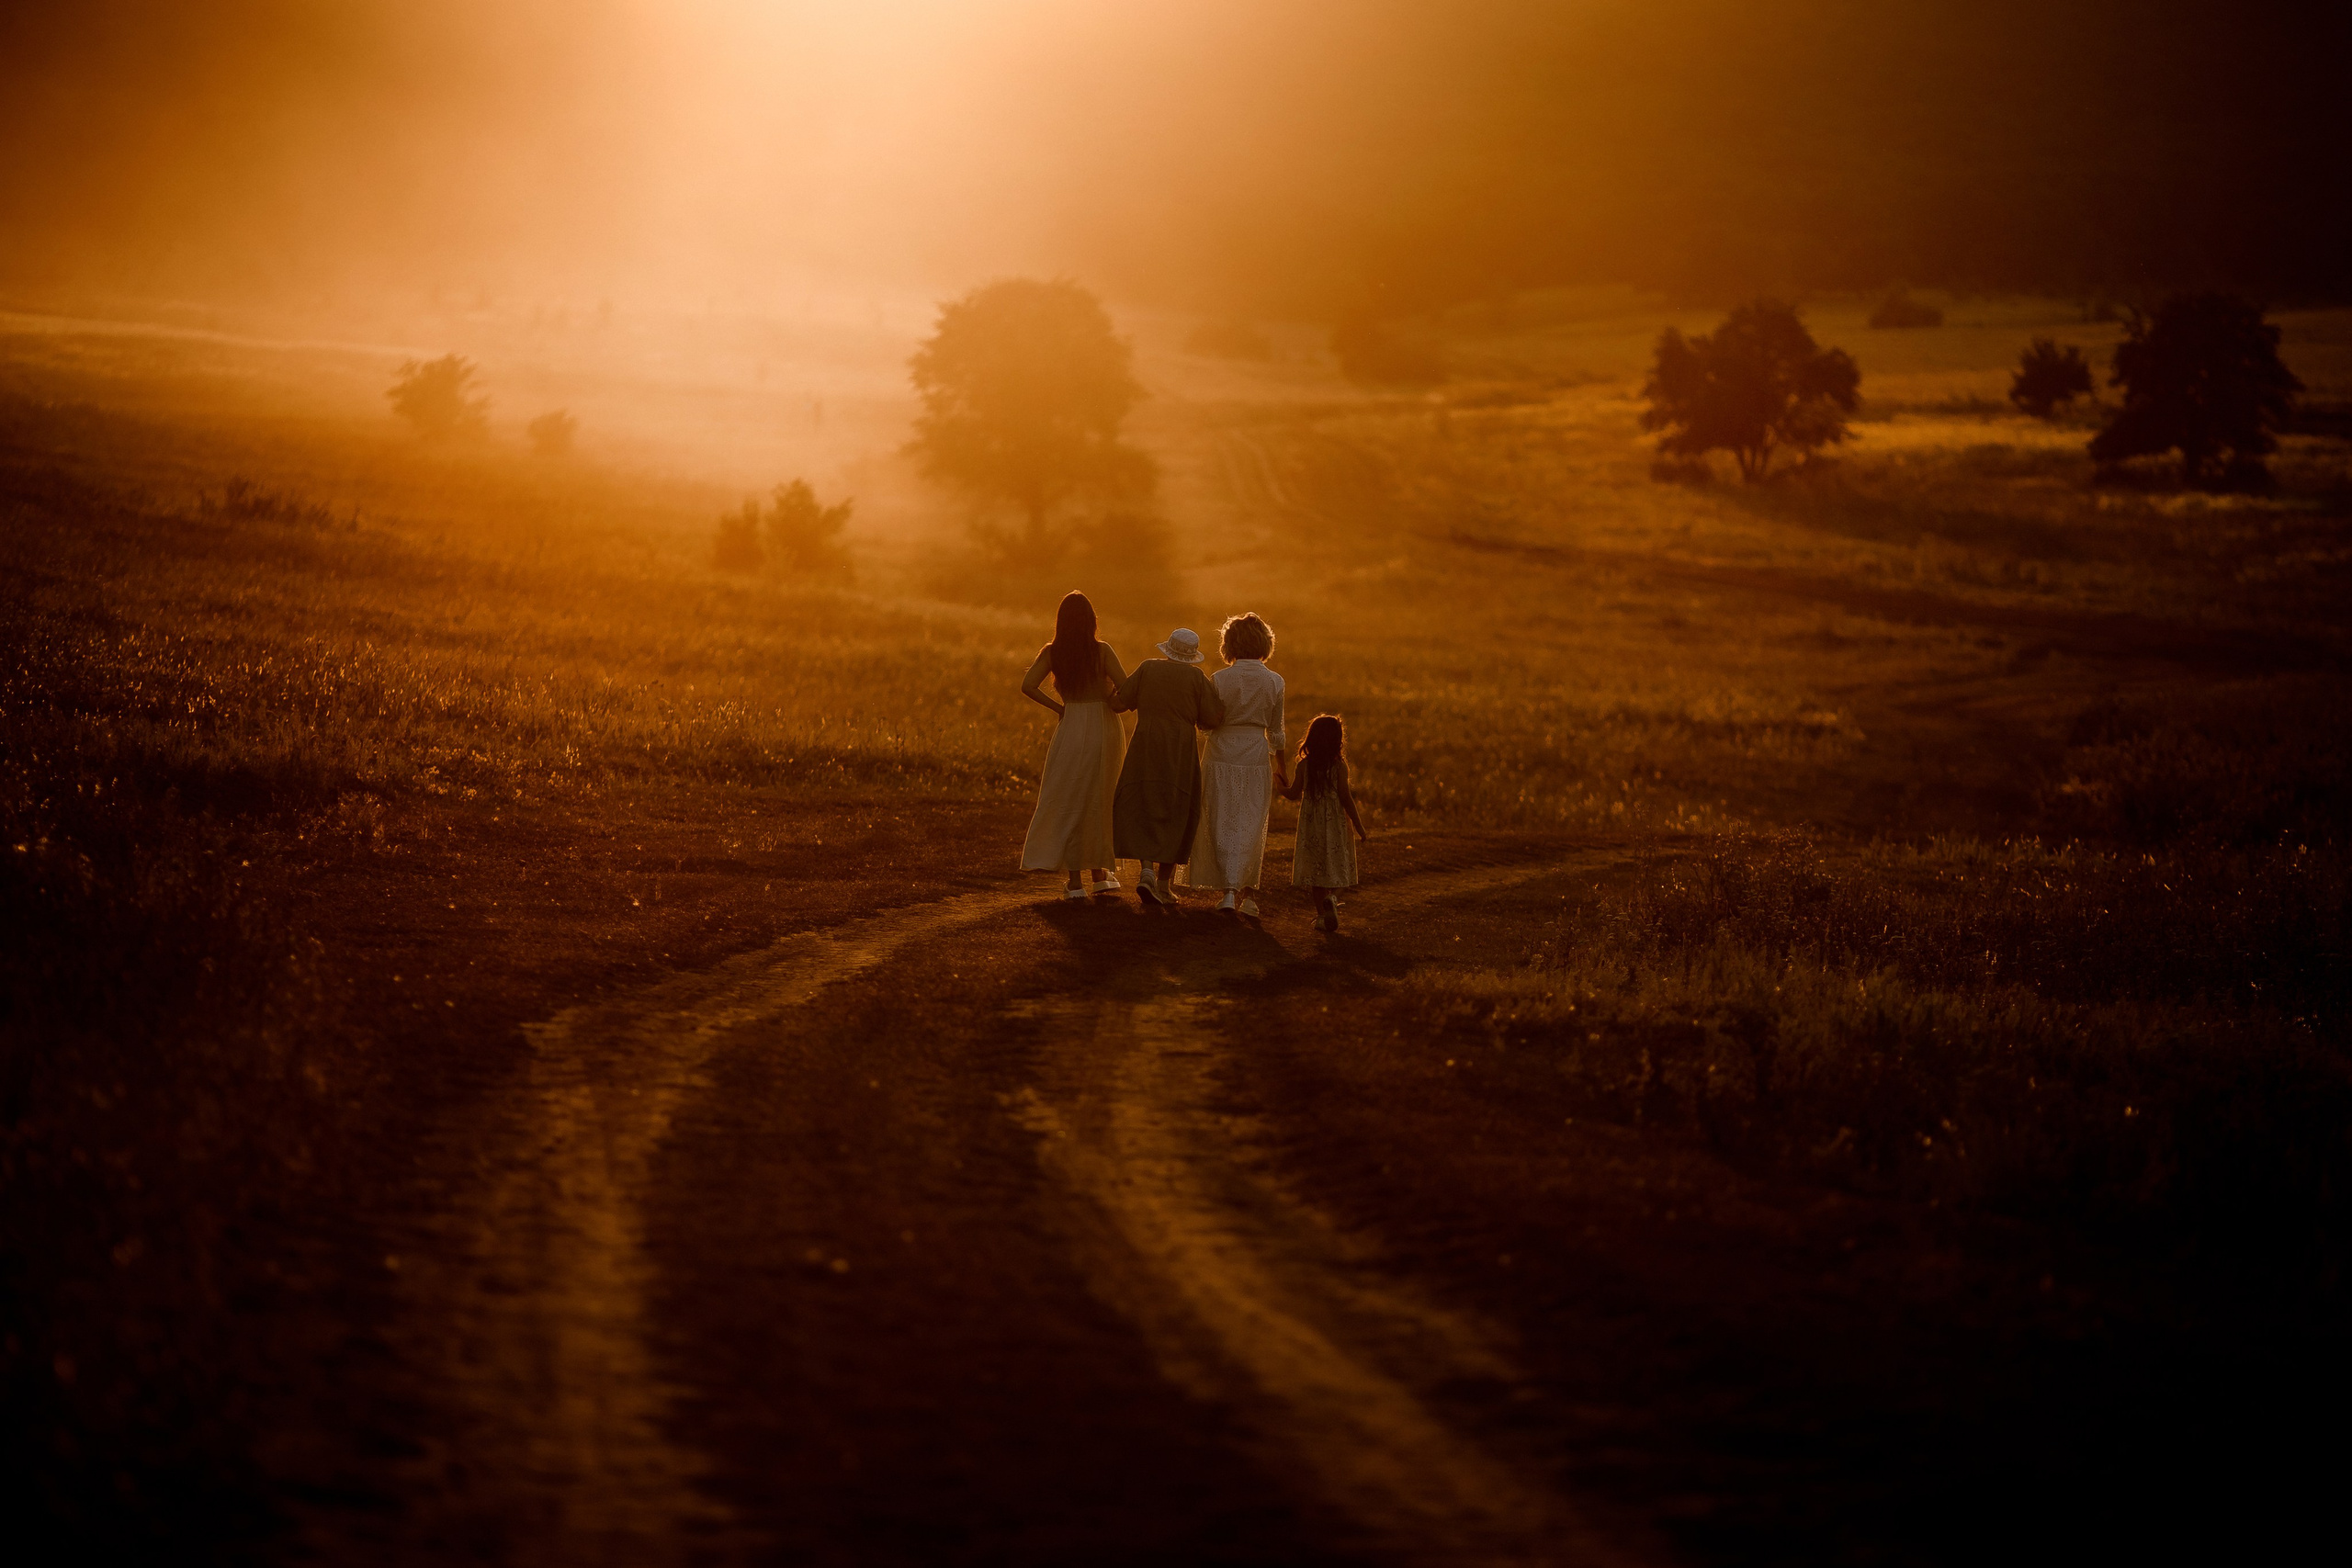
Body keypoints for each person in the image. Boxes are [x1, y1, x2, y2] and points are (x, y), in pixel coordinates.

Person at [1018, 591, 1128, 899]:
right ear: (1092, 621)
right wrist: (1113, 700)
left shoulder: (1055, 652)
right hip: (1104, 727)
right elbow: (1127, 687)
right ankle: (1100, 873)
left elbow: (1028, 685)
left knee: (1070, 794)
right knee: (1099, 796)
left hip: (1072, 724)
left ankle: (1076, 881)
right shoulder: (1102, 651)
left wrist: (1059, 708)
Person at [1110, 626, 1226, 906]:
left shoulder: (1148, 668)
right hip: (1180, 748)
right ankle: (1163, 883)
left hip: (1146, 744)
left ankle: (1146, 870)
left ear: (1168, 649)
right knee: (1177, 806)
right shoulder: (1197, 678)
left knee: (1143, 801)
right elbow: (1213, 718)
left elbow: (1119, 702)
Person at [1186, 612, 1284, 917]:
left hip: (1221, 753)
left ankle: (1228, 890)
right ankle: (1247, 893)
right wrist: (1283, 769)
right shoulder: (1275, 681)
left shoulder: (1219, 679)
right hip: (1256, 754)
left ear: (1229, 644)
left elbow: (1208, 723)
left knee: (1221, 817)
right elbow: (1277, 732)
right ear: (1264, 643)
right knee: (1252, 822)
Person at [1280, 713, 1368, 931]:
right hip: (1335, 824)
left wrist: (1279, 785)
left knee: (1316, 873)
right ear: (1337, 739)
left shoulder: (1304, 766)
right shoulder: (1339, 766)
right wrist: (1358, 826)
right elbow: (1346, 798)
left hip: (1312, 825)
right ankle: (1334, 900)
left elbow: (1293, 794)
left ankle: (1321, 916)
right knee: (1342, 871)